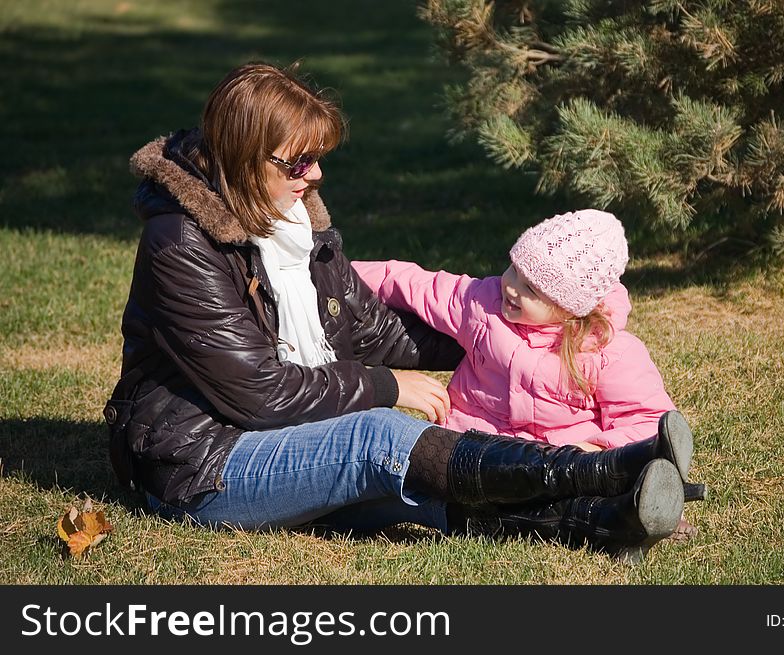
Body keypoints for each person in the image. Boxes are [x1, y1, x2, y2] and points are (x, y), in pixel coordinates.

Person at [104, 61, 686, 564]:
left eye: (317, 159)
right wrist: (386, 387)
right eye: (299, 163)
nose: (316, 175)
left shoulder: (291, 220)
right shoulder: (180, 244)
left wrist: (497, 337)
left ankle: (601, 521)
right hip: (202, 467)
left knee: (414, 479)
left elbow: (366, 329)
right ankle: (598, 471)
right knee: (379, 440)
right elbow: (261, 394)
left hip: (284, 439)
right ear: (245, 158)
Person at [352, 209, 704, 537]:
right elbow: (409, 283)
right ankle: (629, 515)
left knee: (566, 495)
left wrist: (590, 447)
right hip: (472, 452)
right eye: (513, 269)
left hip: (561, 465)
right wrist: (336, 278)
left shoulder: (607, 352)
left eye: (530, 288)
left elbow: (648, 421)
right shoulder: (481, 305)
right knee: (441, 492)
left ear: (570, 310)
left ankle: (639, 510)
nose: (511, 286)